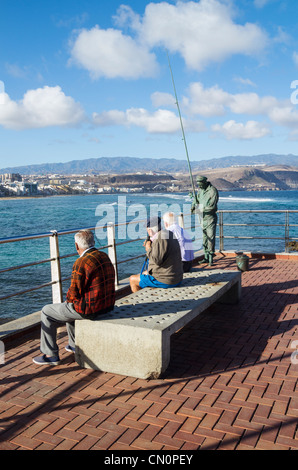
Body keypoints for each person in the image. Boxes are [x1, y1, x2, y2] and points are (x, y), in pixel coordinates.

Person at [33, 230, 115, 366]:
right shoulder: (104, 255)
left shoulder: (81, 262)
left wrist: (68, 302)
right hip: (106, 307)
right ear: (93, 242)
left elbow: (73, 293)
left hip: (91, 310)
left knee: (47, 311)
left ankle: (50, 354)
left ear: (77, 246)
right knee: (70, 308)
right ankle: (73, 344)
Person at [129, 216, 183, 293]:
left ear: (150, 230)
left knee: (132, 279)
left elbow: (156, 260)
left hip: (167, 280)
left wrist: (148, 248)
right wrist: (152, 245)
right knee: (144, 273)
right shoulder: (168, 233)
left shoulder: (160, 238)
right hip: (176, 276)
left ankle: (139, 303)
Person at [190, 176, 219, 266]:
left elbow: (212, 207)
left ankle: (211, 258)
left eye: (200, 184)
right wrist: (193, 202)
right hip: (202, 218)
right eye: (198, 185)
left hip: (210, 218)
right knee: (205, 239)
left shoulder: (213, 191)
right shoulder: (200, 191)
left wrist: (198, 209)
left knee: (211, 238)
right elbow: (197, 201)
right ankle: (205, 257)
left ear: (205, 182)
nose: (199, 187)